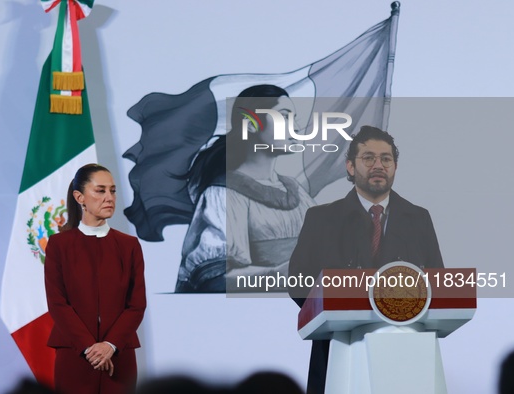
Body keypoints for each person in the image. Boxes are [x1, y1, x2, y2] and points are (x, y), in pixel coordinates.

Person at [289, 126, 444, 394]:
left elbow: (438, 283)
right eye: (368, 158)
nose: (378, 165)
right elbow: (298, 282)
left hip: (407, 349)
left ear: (395, 166)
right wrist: (340, 305)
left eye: (386, 159)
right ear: (350, 166)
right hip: (339, 344)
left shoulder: (418, 218)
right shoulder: (322, 218)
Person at [175, 84, 315, 292]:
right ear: (250, 124)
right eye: (284, 117)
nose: (294, 128)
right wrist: (281, 275)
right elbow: (213, 277)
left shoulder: (297, 193)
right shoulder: (224, 194)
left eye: (294, 119)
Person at [44, 164, 146, 394]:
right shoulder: (59, 245)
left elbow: (136, 305)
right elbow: (58, 304)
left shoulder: (129, 246)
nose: (109, 197)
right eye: (100, 191)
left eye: (113, 191)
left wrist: (110, 346)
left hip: (119, 356)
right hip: (75, 354)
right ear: (79, 197)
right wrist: (90, 348)